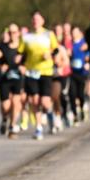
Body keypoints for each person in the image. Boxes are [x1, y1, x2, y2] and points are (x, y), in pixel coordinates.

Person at [17, 10, 58, 140]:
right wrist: (19, 63)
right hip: (31, 72)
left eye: (38, 19)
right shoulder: (26, 37)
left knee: (45, 102)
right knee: (34, 100)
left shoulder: (49, 34)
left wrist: (50, 55)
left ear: (42, 21)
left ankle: (50, 116)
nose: (35, 22)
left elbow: (56, 49)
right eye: (33, 20)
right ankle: (39, 128)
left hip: (46, 71)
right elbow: (21, 53)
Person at [0, 24, 24, 138]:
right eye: (10, 33)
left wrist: (24, 67)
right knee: (5, 106)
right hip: (5, 79)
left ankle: (13, 126)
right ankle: (5, 119)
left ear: (18, 33)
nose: (12, 35)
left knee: (16, 102)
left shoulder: (22, 47)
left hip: (18, 78)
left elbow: (29, 60)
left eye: (14, 32)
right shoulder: (2, 46)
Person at [69, 26, 89, 123]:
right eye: (72, 32)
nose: (73, 34)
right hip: (72, 72)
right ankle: (75, 114)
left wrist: (88, 61)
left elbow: (89, 53)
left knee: (80, 93)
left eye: (75, 32)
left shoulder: (84, 43)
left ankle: (82, 108)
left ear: (80, 33)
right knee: (72, 94)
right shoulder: (69, 44)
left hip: (82, 72)